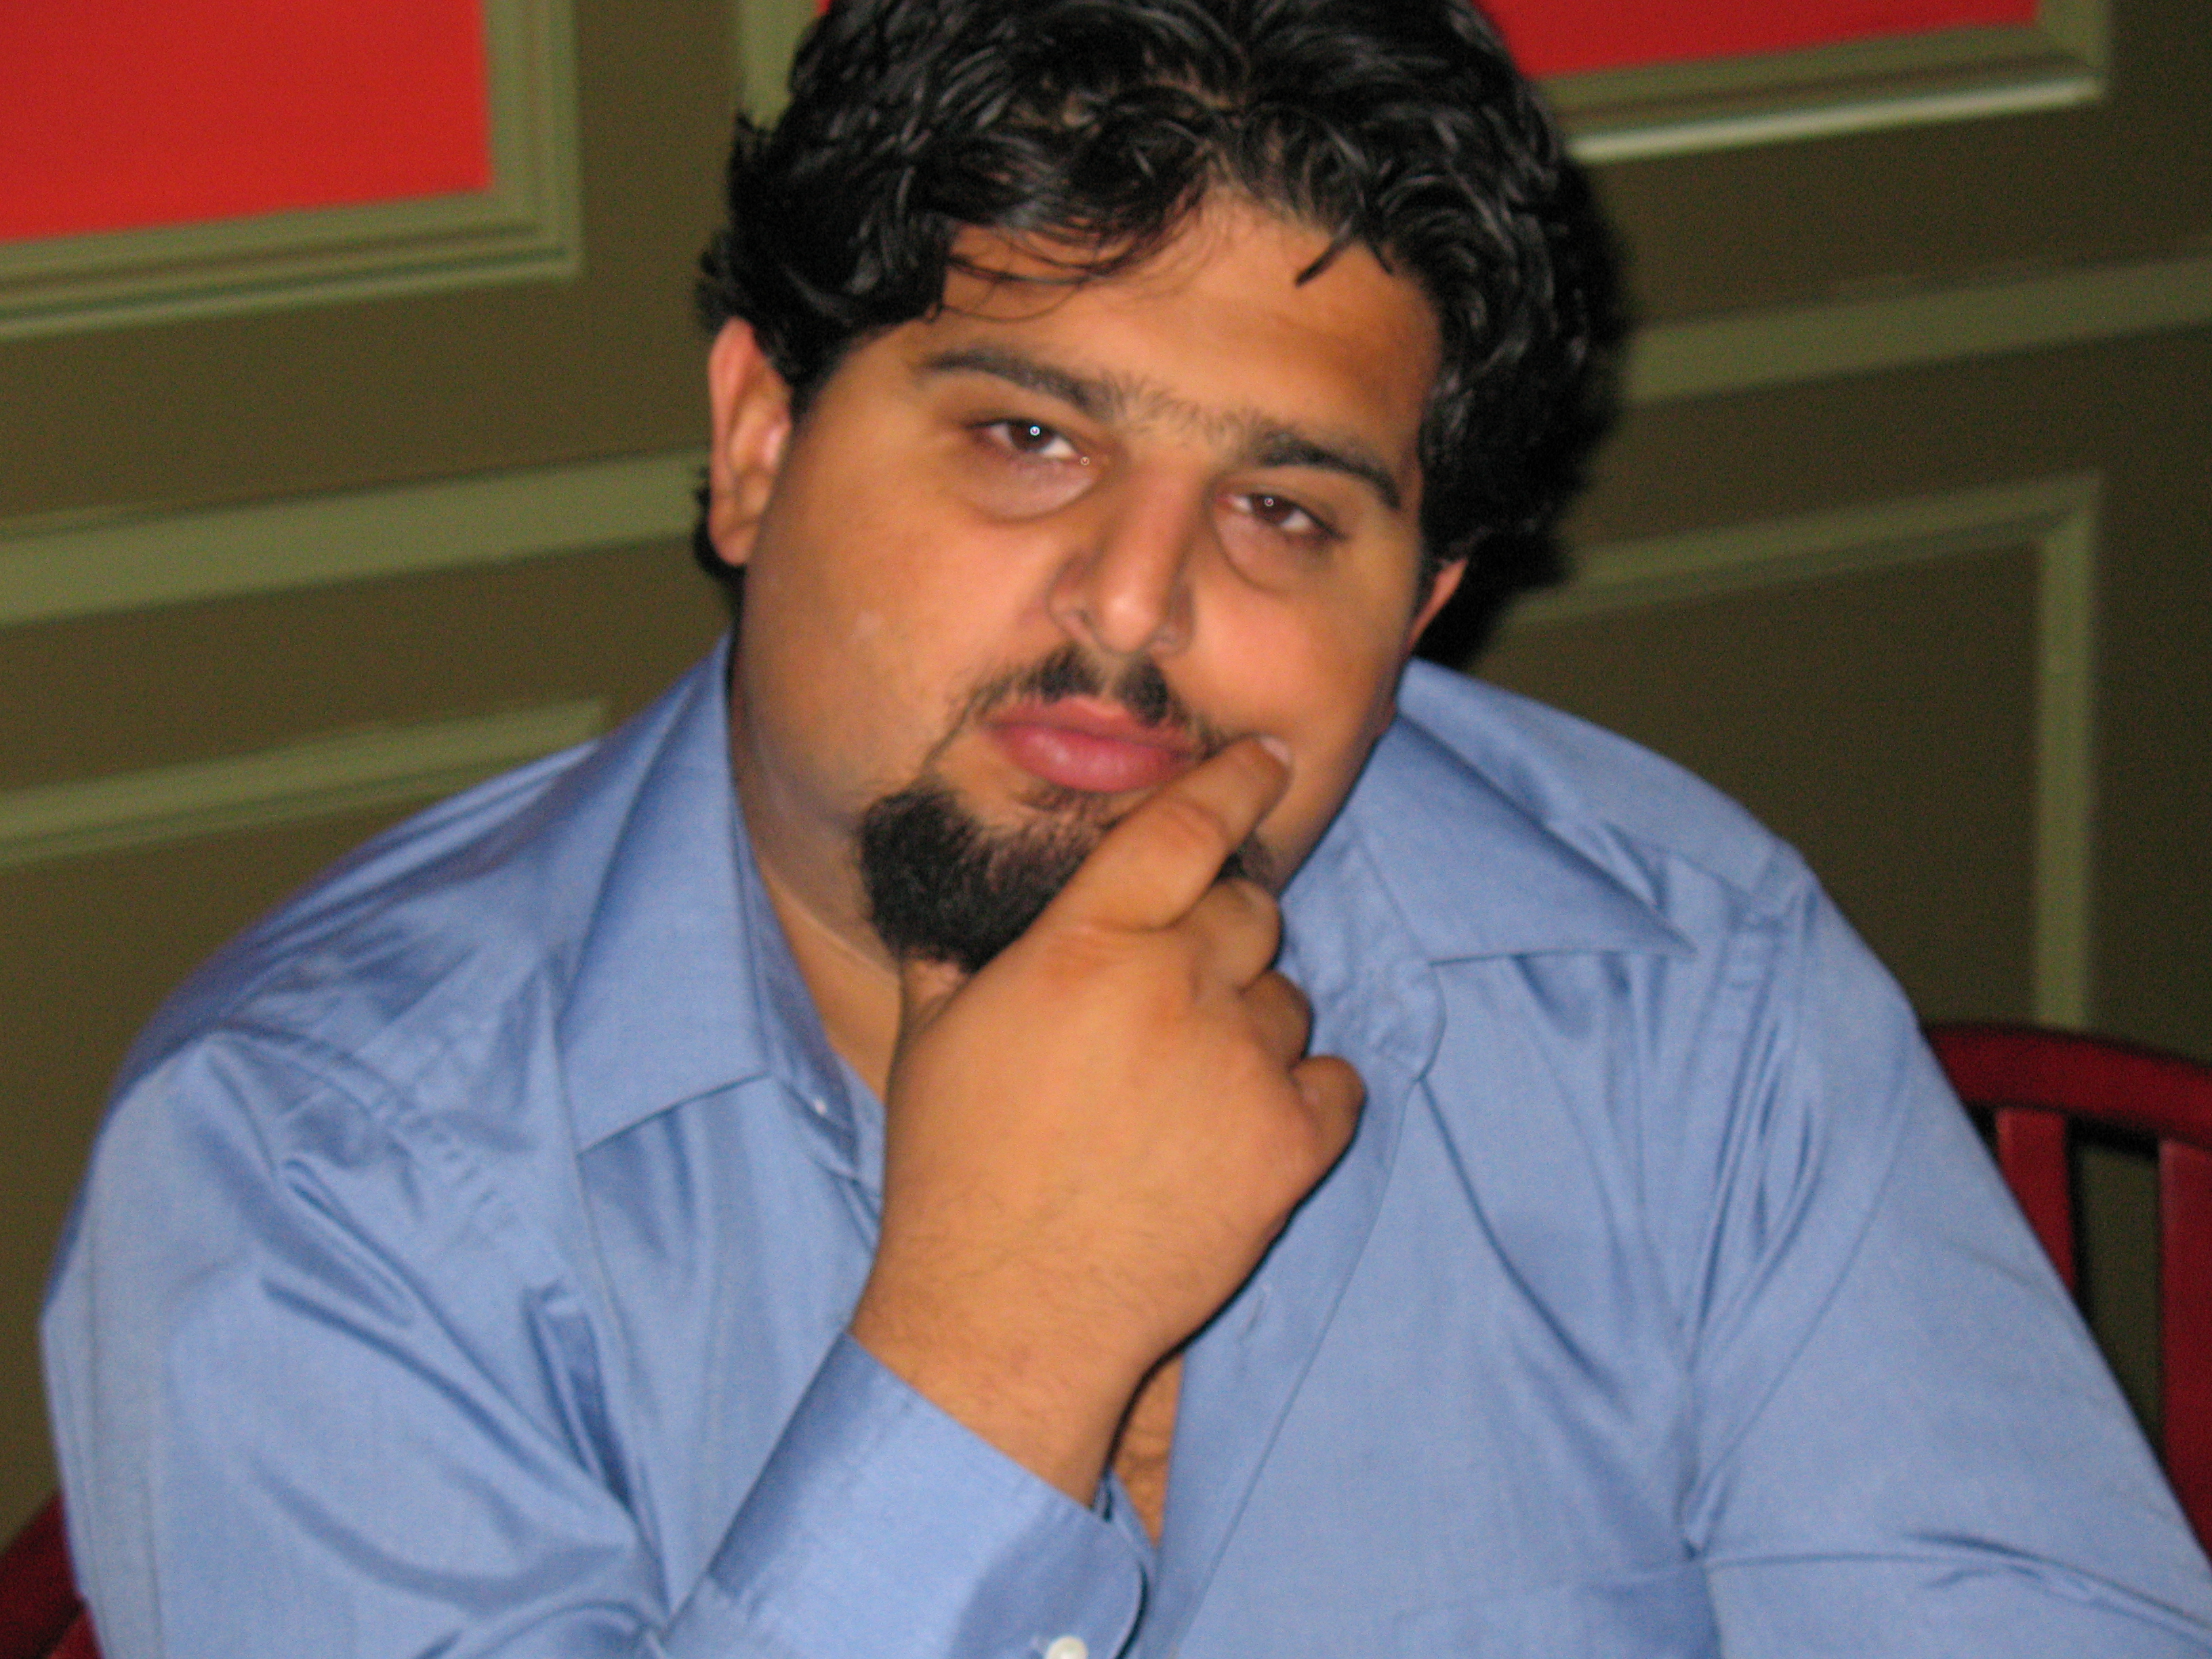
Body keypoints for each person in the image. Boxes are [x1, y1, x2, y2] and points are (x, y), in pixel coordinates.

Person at [42, 0, 2212, 1654]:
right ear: (759, 444)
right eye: (1027, 438)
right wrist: (998, 1349)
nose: (1135, 606)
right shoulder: (314, 1171)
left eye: (1286, 509)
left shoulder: (1675, 972)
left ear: (1419, 609)